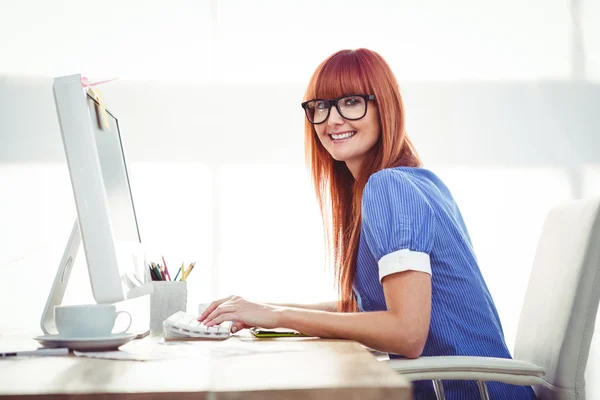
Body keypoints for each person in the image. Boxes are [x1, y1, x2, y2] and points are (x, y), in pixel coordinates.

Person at [198, 48, 536, 399]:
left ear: (384, 106)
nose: (332, 120)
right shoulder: (414, 182)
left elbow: (406, 331)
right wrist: (262, 312)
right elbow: (368, 311)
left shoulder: (391, 188)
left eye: (351, 101)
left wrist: (278, 315)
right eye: (321, 106)